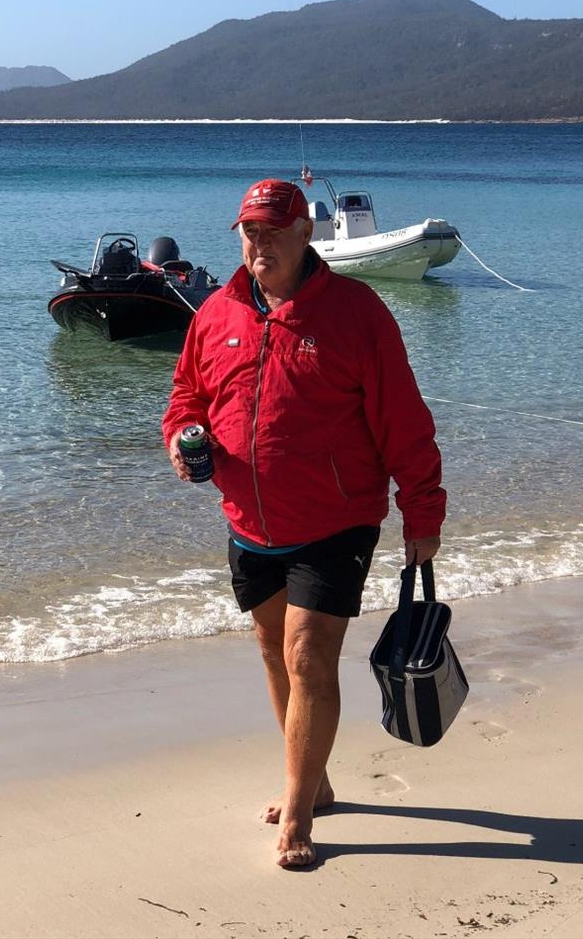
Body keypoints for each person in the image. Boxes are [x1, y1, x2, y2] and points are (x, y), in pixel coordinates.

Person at [163, 179, 445, 868]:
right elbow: (185, 396)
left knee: (307, 656)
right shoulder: (218, 312)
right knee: (273, 654)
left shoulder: (357, 313)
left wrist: (423, 509)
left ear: (305, 234)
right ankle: (314, 783)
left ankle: (297, 814)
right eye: (249, 232)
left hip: (337, 520)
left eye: (273, 231)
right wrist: (181, 438)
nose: (259, 244)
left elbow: (403, 420)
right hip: (248, 523)